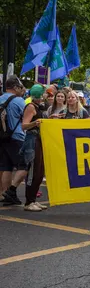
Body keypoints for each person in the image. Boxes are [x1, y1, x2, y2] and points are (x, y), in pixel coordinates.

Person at [0, 76, 27, 205]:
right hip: (16, 138)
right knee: (24, 165)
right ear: (15, 87)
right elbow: (26, 117)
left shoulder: (0, 99)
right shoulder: (18, 101)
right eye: (20, 87)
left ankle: (6, 194)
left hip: (2, 138)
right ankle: (11, 191)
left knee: (7, 167)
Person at [21, 84, 46, 211]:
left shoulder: (37, 106)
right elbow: (24, 125)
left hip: (39, 140)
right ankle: (28, 202)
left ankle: (33, 200)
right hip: (32, 141)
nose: (44, 97)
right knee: (33, 172)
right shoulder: (30, 107)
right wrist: (34, 123)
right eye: (42, 95)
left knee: (40, 172)